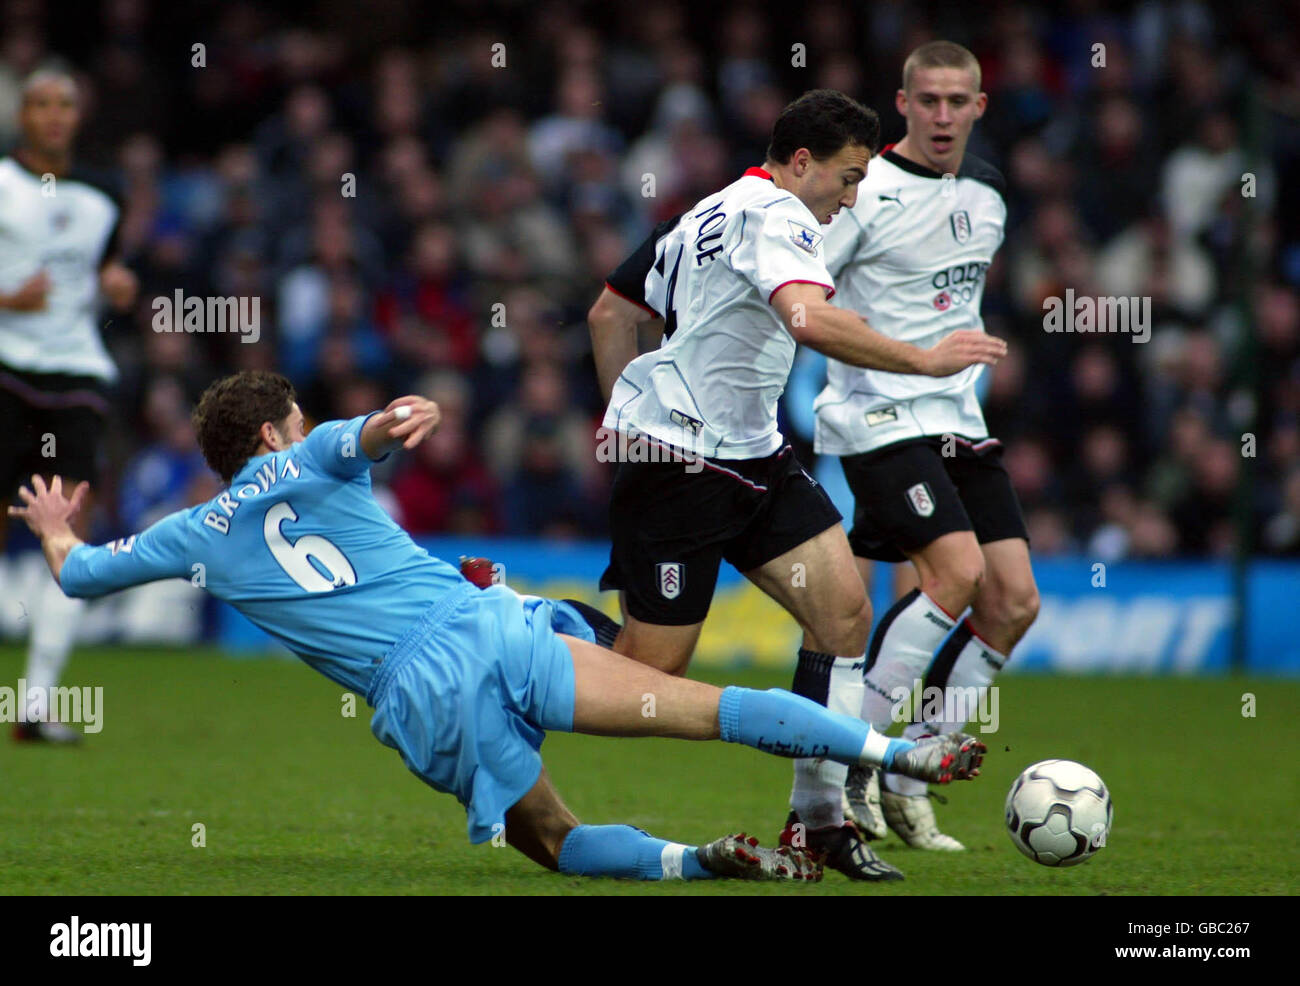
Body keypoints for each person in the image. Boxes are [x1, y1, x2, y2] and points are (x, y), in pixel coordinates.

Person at [8, 369, 986, 883]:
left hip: (425, 696)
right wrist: (398, 419)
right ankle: (894, 749)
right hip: (490, 627)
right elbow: (370, 430)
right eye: (294, 415)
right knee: (713, 705)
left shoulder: (193, 533)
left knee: (550, 842)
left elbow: (85, 573)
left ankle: (696, 860)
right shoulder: (311, 455)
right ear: (272, 432)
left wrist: (55, 528)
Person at [586, 89, 1004, 879]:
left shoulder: (711, 207)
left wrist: (618, 412)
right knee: (649, 675)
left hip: (753, 456)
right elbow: (808, 321)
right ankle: (534, 628)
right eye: (847, 178)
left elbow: (611, 312)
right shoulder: (778, 215)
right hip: (684, 463)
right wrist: (923, 358)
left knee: (844, 611)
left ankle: (818, 823)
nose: (853, 198)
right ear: (802, 162)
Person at [815, 42, 1039, 850]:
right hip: (877, 417)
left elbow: (954, 289)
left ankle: (913, 779)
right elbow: (807, 301)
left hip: (958, 420)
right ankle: (851, 769)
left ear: (980, 108)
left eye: (959, 102)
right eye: (929, 101)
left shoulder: (989, 192)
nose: (944, 116)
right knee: (956, 572)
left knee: (1013, 601)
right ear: (902, 104)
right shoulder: (862, 190)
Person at [0, 67, 138, 741]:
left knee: (67, 529)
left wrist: (117, 285)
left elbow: (105, 271)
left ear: (78, 116)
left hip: (76, 373)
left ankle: (34, 706)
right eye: (40, 104)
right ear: (22, 114)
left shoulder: (103, 194)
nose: (53, 115)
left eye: (65, 104)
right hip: (5, 362)